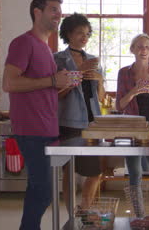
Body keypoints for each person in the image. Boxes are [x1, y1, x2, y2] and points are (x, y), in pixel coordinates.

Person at [2, 0, 70, 230]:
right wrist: (53, 80)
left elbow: (45, 89)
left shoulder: (45, 48)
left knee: (40, 188)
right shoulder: (23, 43)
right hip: (31, 129)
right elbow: (9, 84)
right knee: (43, 191)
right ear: (37, 12)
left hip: (47, 128)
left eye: (59, 10)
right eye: (53, 9)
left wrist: (63, 84)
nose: (58, 14)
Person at [54, 13, 105, 210]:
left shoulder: (93, 59)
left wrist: (99, 80)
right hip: (68, 121)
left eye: (87, 33)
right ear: (68, 34)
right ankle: (71, 214)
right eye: (79, 33)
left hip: (92, 122)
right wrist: (80, 72)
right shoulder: (58, 59)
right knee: (70, 171)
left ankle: (84, 208)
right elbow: (58, 93)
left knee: (95, 172)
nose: (84, 37)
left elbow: (100, 97)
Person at [115, 33, 149, 219]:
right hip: (131, 132)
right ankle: (139, 217)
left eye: (147, 47)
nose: (143, 50)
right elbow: (119, 105)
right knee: (134, 176)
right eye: (139, 46)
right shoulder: (124, 73)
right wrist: (134, 91)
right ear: (132, 49)